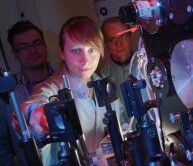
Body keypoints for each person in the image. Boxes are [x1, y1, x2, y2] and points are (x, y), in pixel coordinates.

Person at [21, 16, 125, 166]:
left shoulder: (105, 85)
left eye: (92, 50)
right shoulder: (51, 88)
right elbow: (30, 109)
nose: (85, 59)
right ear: (62, 52)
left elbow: (120, 125)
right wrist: (38, 117)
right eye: (76, 50)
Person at [0, 20, 55, 166]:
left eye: (37, 43)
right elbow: (2, 145)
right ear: (15, 53)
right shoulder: (8, 96)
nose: (33, 51)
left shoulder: (66, 78)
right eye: (24, 47)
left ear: (45, 45)